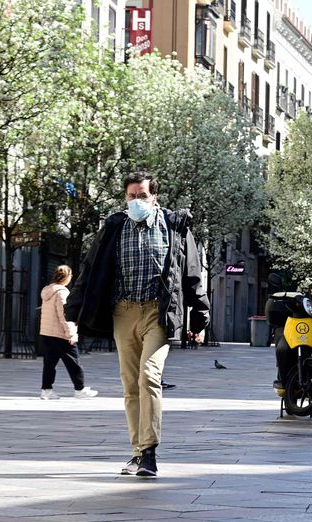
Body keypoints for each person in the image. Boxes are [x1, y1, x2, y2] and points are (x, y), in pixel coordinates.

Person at [65, 170, 210, 478]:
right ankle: (137, 452)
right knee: (130, 386)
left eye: (142, 196)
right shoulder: (114, 228)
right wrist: (72, 312)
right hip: (123, 312)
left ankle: (149, 452)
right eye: (131, 196)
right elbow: (90, 270)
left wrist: (200, 317)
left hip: (158, 313)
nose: (136, 201)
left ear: (154, 197)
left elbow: (193, 272)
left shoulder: (174, 226)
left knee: (149, 376)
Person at [38, 265, 98, 400]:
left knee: (49, 363)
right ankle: (80, 389)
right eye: (71, 276)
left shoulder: (47, 291)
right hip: (60, 334)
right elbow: (64, 315)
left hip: (47, 333)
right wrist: (71, 334)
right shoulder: (62, 292)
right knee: (74, 362)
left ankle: (46, 390)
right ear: (66, 277)